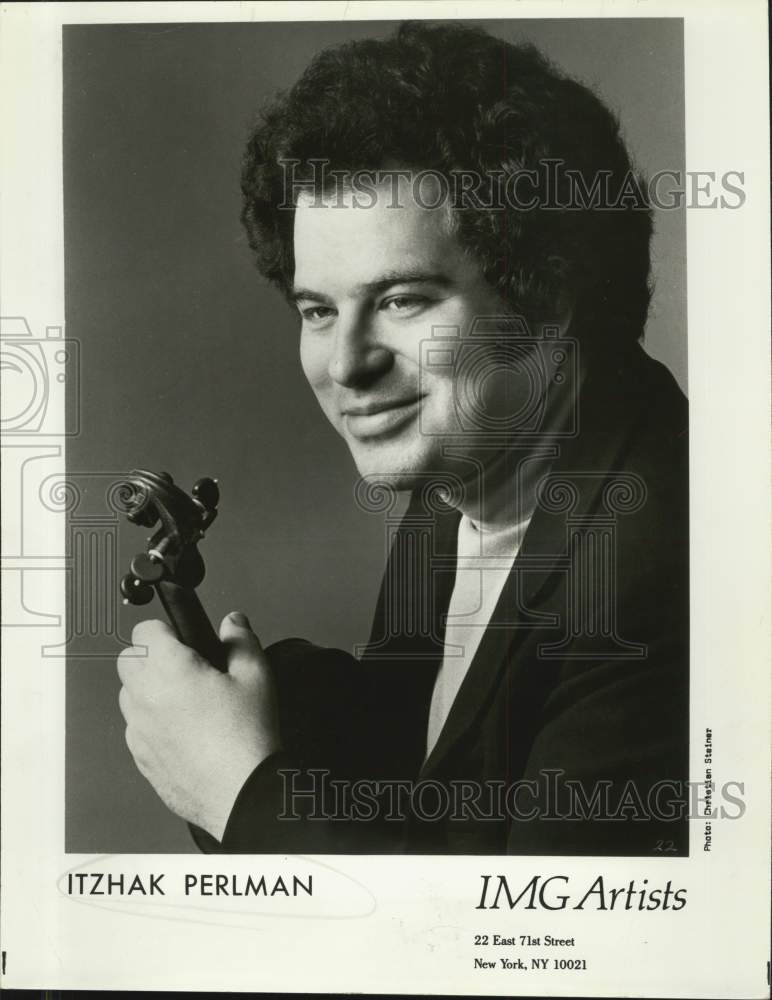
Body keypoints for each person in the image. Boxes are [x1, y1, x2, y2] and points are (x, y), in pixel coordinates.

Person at [117, 21, 688, 855]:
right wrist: (300, 709)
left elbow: (534, 955)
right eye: (318, 310)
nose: (346, 365)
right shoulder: (464, 476)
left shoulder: (666, 566)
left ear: (549, 292)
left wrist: (242, 790)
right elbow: (449, 795)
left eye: (403, 300)